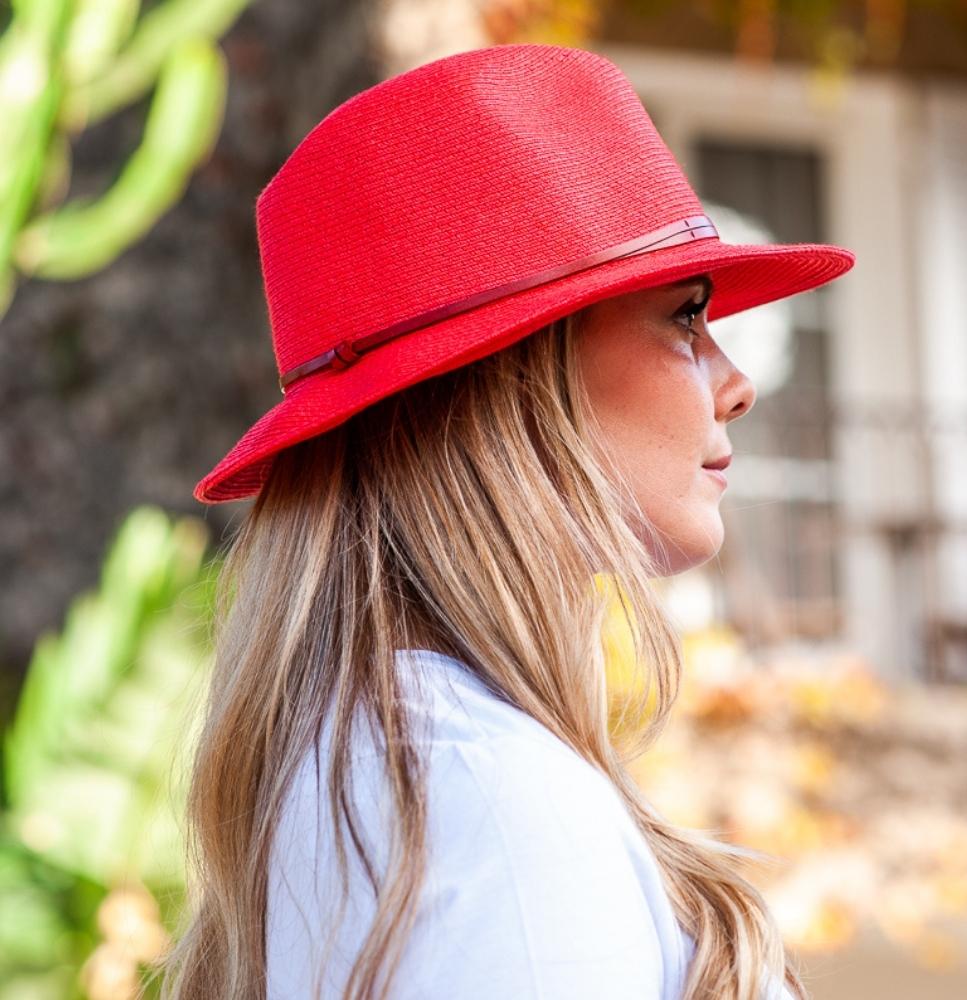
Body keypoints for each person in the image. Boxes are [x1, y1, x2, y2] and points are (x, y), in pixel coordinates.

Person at [159, 43, 854, 1000]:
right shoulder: (485, 797)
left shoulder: (394, 764)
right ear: (517, 380)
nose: (735, 385)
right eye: (685, 318)